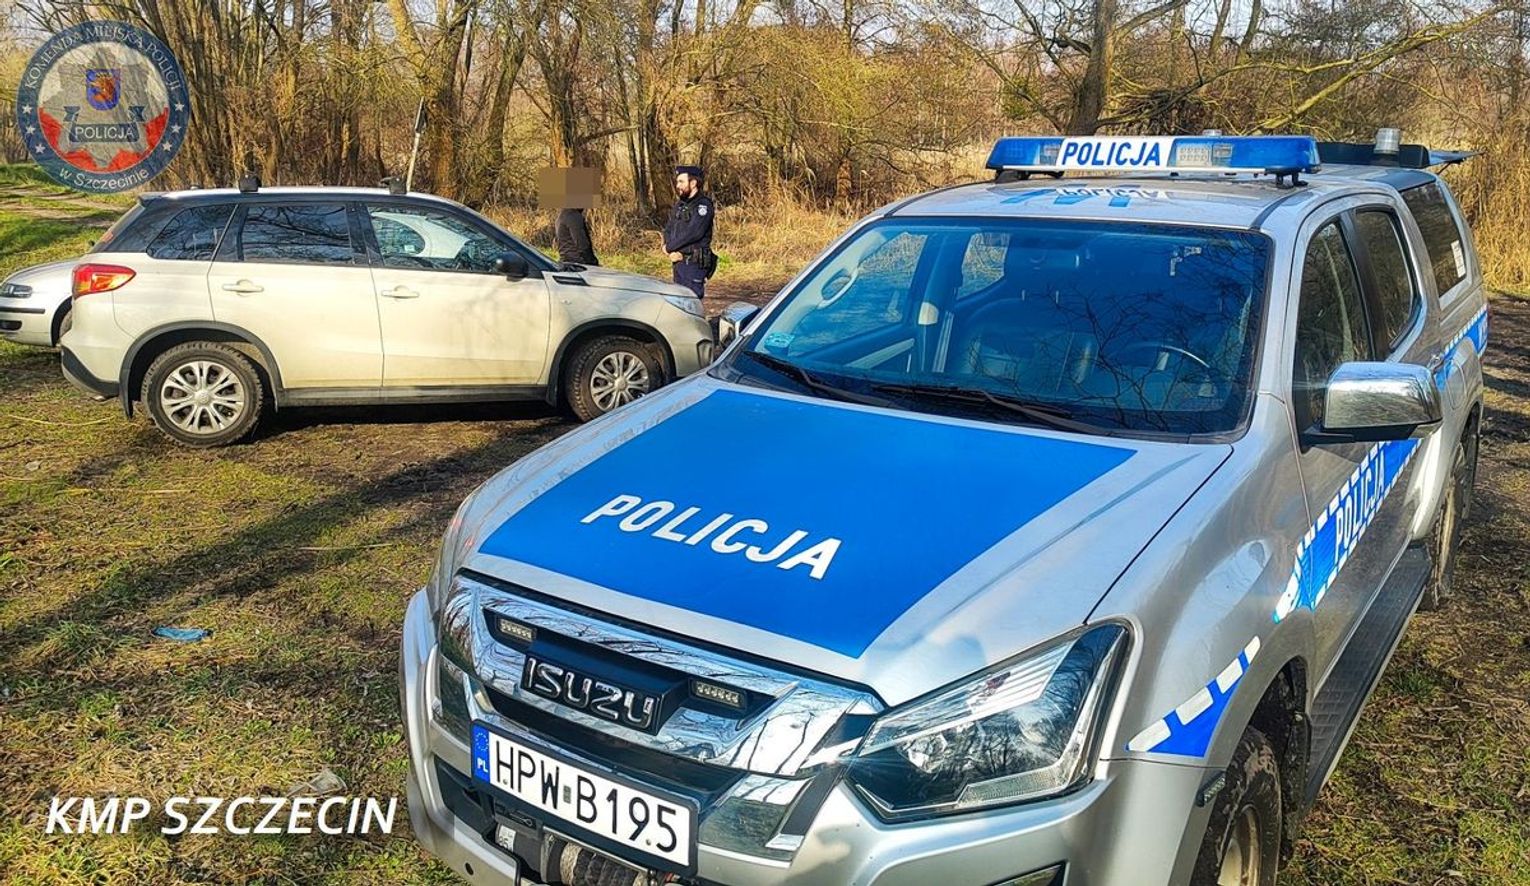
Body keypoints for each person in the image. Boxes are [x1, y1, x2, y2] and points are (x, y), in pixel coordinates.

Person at [662, 164, 715, 298]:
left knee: (691, 302)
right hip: (678, 262)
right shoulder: (680, 205)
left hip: (693, 264)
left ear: (693, 183)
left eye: (681, 182)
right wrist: (670, 249)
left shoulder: (703, 205)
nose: (677, 186)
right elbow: (668, 228)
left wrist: (670, 247)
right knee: (679, 302)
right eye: (677, 182)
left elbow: (694, 232)